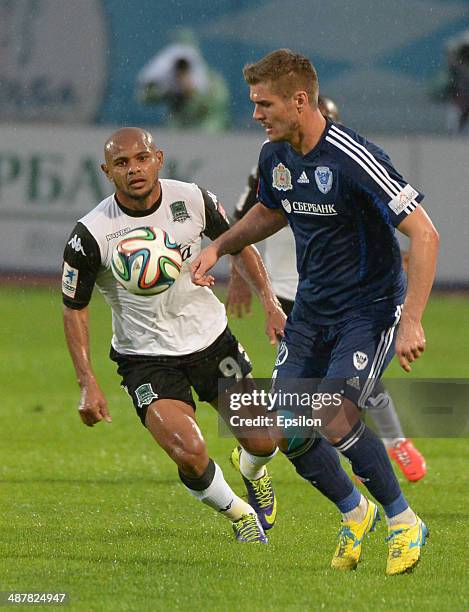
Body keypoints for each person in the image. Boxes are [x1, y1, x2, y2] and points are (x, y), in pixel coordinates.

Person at [191, 50, 439, 575]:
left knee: (333, 412)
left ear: (299, 101)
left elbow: (425, 233)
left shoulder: (353, 157)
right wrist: (220, 248)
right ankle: (355, 513)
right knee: (288, 426)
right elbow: (269, 210)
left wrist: (412, 318)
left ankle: (404, 521)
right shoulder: (274, 156)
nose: (256, 114)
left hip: (368, 311)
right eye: (254, 103)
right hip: (311, 311)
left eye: (264, 104)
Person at [61, 127, 285, 544]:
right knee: (189, 449)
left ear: (158, 158)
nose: (134, 170)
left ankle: (252, 467)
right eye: (122, 163)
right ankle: (240, 515)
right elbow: (74, 307)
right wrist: (86, 380)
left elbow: (241, 244)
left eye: (142, 158)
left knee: (264, 440)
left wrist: (271, 304)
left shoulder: (193, 199)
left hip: (211, 341)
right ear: (107, 171)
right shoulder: (91, 233)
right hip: (146, 359)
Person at [227, 96, 427, 483]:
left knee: (346, 384)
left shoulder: (345, 162)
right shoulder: (272, 164)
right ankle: (254, 462)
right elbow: (239, 225)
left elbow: (382, 224)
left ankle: (394, 444)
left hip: (348, 296)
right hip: (291, 293)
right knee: (300, 404)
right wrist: (245, 283)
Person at [136, 30, 230, 132]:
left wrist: (194, 94)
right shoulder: (171, 81)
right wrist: (167, 90)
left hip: (206, 132)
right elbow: (144, 97)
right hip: (179, 131)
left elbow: (218, 110)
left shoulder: (212, 80)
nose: (182, 72)